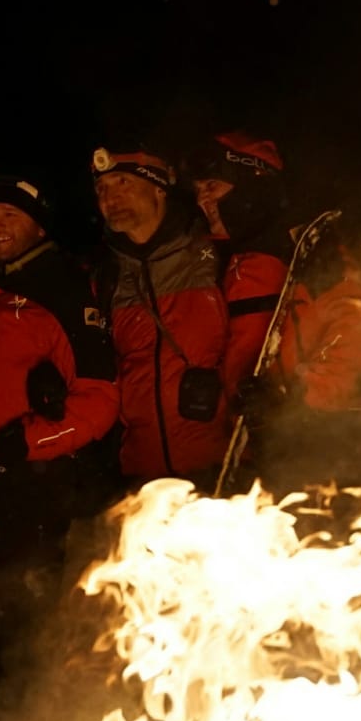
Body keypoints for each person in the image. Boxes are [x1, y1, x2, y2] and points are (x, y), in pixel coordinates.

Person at [0, 168, 120, 717]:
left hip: (26, 483)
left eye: (11, 215)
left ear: (39, 226)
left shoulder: (64, 289)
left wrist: (14, 449)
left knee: (18, 614)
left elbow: (100, 402)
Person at [187, 131, 361, 496]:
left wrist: (294, 396)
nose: (202, 199)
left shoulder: (306, 250)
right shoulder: (214, 260)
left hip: (314, 446)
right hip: (242, 457)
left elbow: (355, 327)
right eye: (198, 188)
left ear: (251, 184)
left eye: (212, 186)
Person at [90, 144, 231, 487]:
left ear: (158, 188)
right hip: (143, 480)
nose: (110, 197)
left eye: (122, 182)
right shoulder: (103, 276)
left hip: (223, 470)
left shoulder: (213, 252)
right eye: (102, 189)